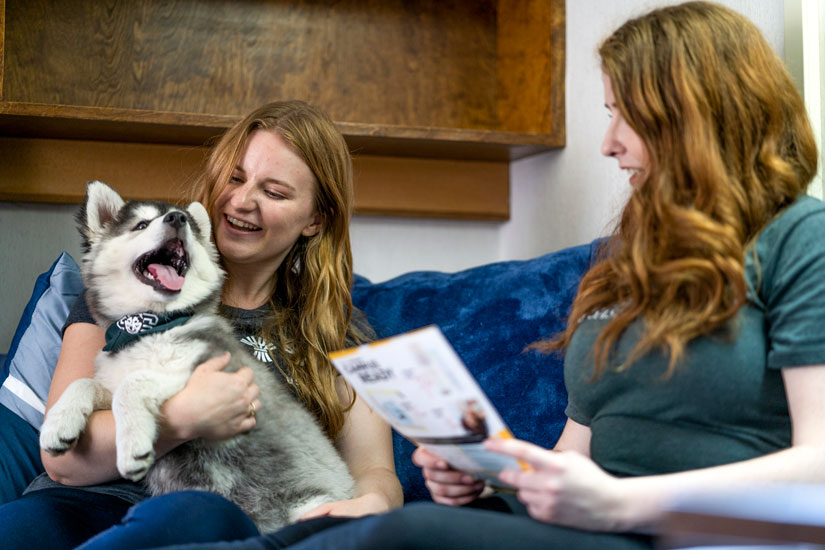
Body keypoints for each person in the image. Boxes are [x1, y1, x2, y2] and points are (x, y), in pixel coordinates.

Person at [134, 2, 825, 549]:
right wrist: (493, 478)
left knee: (400, 534)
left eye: (625, 117)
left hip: (694, 532)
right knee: (372, 529)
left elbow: (818, 468)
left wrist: (619, 501)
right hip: (597, 525)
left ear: (693, 116)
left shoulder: (801, 238)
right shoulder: (626, 259)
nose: (610, 142)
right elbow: (574, 457)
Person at [0, 100, 403, 550]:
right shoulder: (129, 284)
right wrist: (183, 417)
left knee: (194, 515)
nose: (242, 200)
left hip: (224, 512)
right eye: (235, 177)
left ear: (315, 219)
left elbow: (374, 469)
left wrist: (372, 505)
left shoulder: (339, 329)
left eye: (274, 192)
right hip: (86, 501)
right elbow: (64, 464)